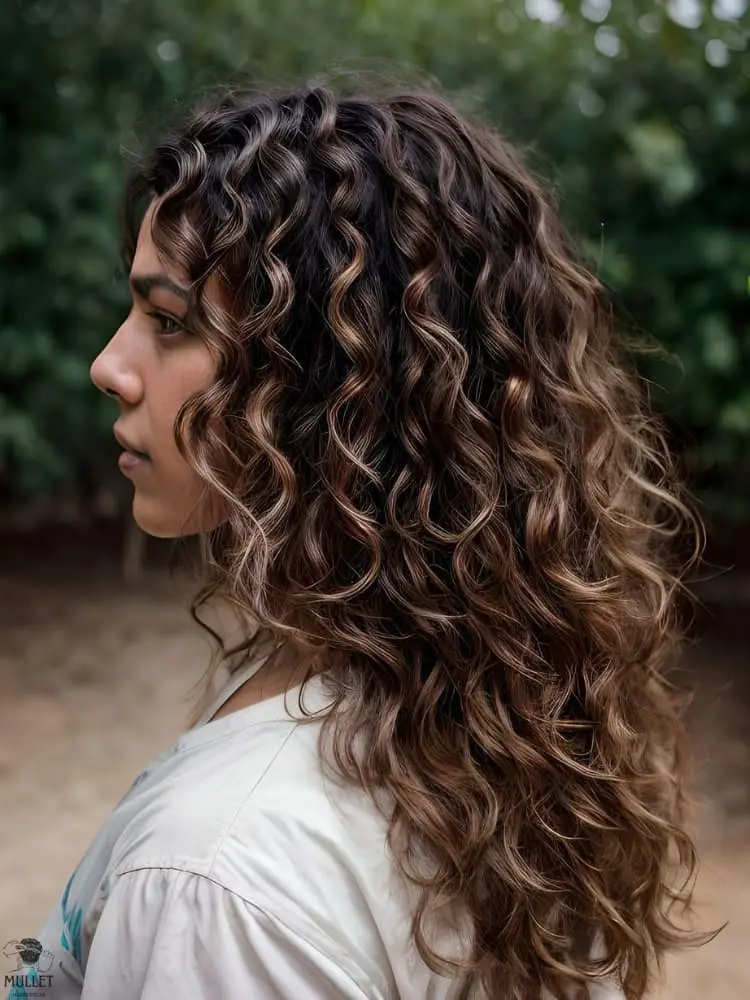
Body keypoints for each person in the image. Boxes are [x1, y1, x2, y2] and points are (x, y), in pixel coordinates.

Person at [14, 81, 704, 1000]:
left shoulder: (217, 882)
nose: (110, 365)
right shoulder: (470, 706)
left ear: (328, 390)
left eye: (170, 321)